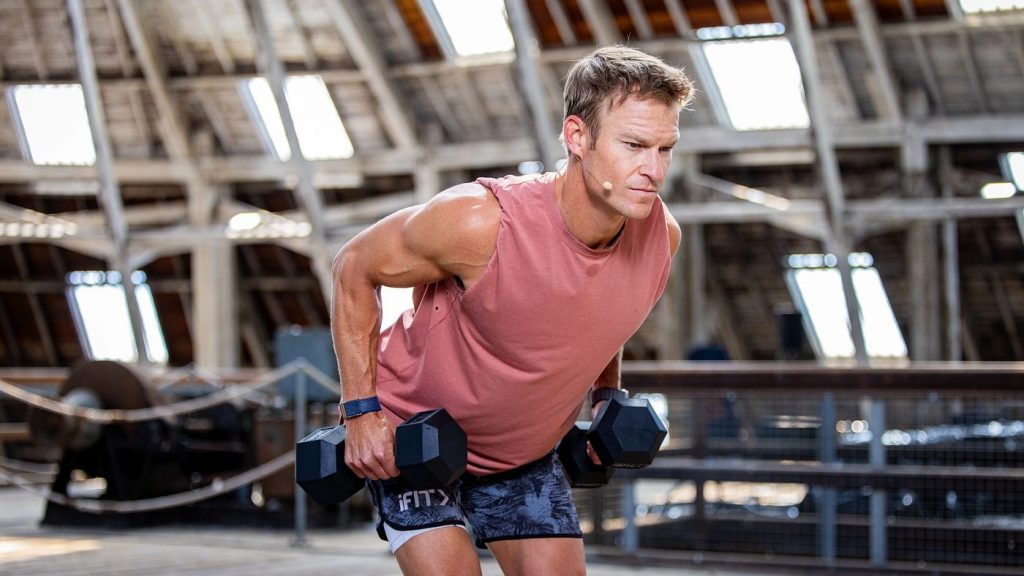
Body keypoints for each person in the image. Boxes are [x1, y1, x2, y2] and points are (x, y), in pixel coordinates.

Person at [330, 45, 693, 576]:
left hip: (523, 455)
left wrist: (607, 397)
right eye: (634, 145)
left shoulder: (661, 239)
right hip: (414, 439)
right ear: (578, 137)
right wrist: (362, 412)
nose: (653, 170)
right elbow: (353, 267)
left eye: (665, 149)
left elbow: (605, 313)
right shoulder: (480, 222)